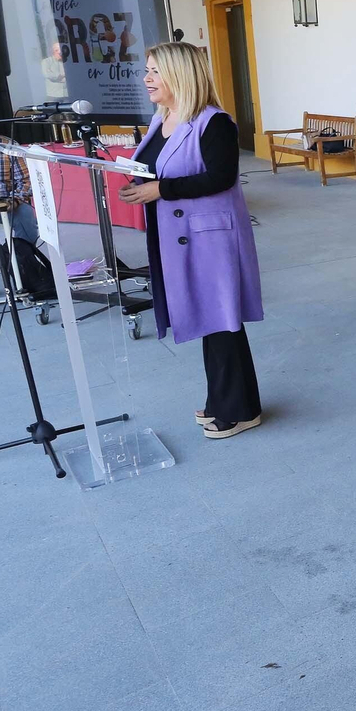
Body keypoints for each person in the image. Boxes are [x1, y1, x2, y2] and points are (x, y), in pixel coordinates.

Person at [117, 43, 264, 439]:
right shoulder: (163, 118)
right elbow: (152, 166)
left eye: (154, 71)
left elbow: (220, 177)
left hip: (210, 238)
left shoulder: (214, 122)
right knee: (209, 318)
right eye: (146, 70)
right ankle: (227, 400)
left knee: (222, 320)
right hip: (178, 236)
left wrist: (160, 191)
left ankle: (238, 410)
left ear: (179, 74)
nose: (146, 79)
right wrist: (135, 182)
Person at [0, 123, 39, 247]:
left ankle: (22, 260)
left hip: (5, 205)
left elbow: (27, 181)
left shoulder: (6, 145)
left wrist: (12, 202)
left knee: (25, 215)